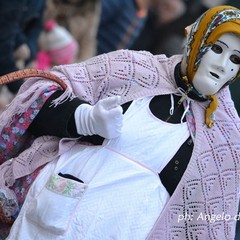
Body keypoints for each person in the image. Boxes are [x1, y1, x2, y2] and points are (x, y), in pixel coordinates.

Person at [0, 5, 240, 240]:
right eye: (217, 48)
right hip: (47, 224)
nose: (222, 64)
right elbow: (41, 92)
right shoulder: (132, 68)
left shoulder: (226, 138)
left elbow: (211, 224)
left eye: (236, 58)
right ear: (195, 39)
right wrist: (82, 118)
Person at [0, 0, 46, 94]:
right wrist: (20, 87)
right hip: (7, 55)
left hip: (13, 56)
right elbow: (4, 33)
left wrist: (30, 51)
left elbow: (36, 26)